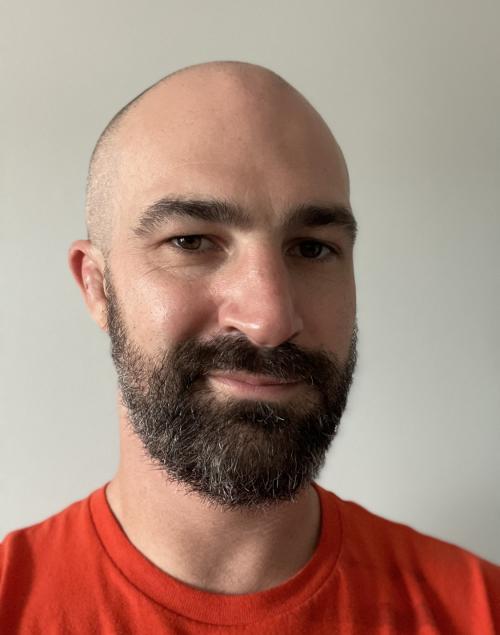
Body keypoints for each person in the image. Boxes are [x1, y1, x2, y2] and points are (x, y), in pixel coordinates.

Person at [0, 61, 498, 634]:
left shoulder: (480, 611)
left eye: (312, 248)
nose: (270, 320)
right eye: (191, 241)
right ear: (97, 287)